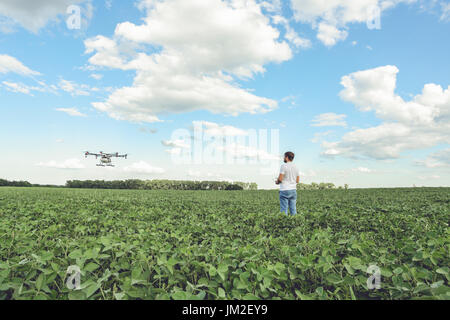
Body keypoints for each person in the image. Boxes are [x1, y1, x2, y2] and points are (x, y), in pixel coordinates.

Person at [275, 152, 300, 216]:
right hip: (293, 190)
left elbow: (280, 179)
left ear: (286, 157)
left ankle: (284, 224)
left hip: (284, 189)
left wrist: (277, 182)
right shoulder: (296, 167)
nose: (283, 158)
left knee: (284, 209)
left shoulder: (283, 166)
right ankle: (295, 224)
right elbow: (297, 180)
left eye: (284, 157)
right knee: (293, 209)